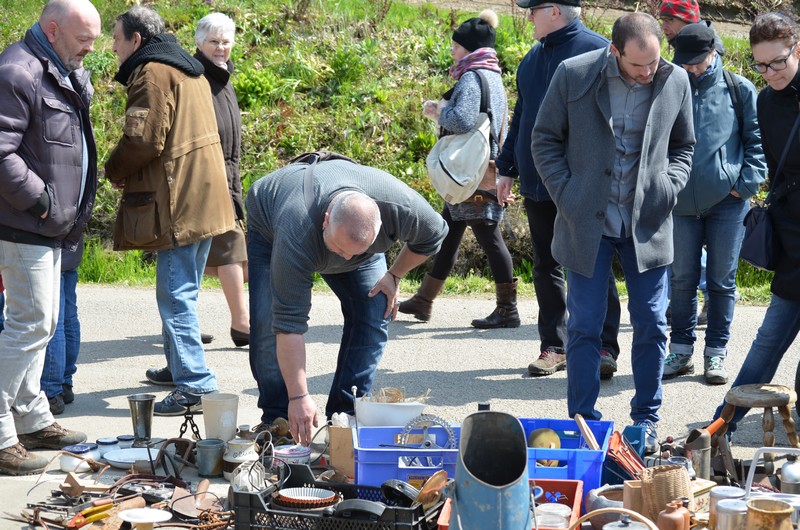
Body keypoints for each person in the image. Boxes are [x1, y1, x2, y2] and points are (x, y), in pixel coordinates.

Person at [532, 12, 695, 453]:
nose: (647, 73)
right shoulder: (574, 74)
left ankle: (646, 419)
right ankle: (583, 422)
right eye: (637, 65)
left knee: (652, 325)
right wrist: (567, 194)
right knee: (584, 327)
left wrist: (668, 186)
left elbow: (684, 146)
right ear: (613, 50)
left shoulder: (676, 80)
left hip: (648, 221)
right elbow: (544, 139)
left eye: (654, 62)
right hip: (587, 222)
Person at [246, 154, 448, 445]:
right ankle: (279, 419)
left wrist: (394, 275)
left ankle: (344, 418)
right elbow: (289, 325)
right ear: (327, 220)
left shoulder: (399, 206)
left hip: (349, 241)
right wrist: (299, 396)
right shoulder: (296, 229)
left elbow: (435, 235)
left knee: (375, 311)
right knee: (269, 324)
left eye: (355, 251)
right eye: (340, 250)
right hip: (272, 228)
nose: (345, 258)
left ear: (379, 226)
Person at [106, 5, 235, 416]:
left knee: (175, 295)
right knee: (185, 291)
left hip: (179, 199)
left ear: (136, 40)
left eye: (117, 39)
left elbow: (142, 139)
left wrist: (114, 169)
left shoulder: (152, 72)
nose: (113, 47)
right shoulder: (186, 66)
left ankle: (194, 384)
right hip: (205, 195)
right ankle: (180, 366)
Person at [495, 0, 622, 378]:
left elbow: (619, 119)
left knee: (593, 262)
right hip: (537, 182)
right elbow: (522, 117)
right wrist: (507, 168)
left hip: (582, 183)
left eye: (532, 9)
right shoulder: (531, 60)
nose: (527, 15)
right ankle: (555, 346)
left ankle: (603, 346)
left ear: (553, 10)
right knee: (546, 265)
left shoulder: (600, 52)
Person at [0, 0, 99, 475]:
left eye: (95, 39)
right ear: (53, 29)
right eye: (84, 39)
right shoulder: (17, 71)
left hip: (50, 224)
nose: (91, 48)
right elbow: (1, 153)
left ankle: (31, 417)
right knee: (31, 325)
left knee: (43, 323)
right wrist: (41, 200)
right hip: (25, 223)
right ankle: (2, 432)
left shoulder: (59, 69)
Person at [398, 10, 516, 329]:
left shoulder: (471, 77)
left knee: (489, 236)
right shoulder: (492, 75)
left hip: (472, 173)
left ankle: (508, 309)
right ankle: (424, 300)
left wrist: (439, 112)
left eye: (456, 45)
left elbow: (463, 120)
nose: (452, 50)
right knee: (449, 232)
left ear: (470, 48)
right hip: (482, 167)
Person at [663, 23, 766, 385]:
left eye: (697, 61)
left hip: (728, 204)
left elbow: (757, 141)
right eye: (685, 62)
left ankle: (716, 352)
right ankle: (680, 351)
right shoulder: (668, 85)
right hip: (679, 204)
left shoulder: (739, 88)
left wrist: (744, 185)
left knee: (721, 282)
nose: (691, 68)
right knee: (681, 281)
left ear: (713, 53)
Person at [713, 12, 800, 432]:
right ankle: (718, 430)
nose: (770, 73)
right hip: (791, 240)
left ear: (797, 50)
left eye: (778, 62)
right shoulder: (765, 101)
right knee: (767, 342)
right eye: (761, 65)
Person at [41, 241, 85, 415]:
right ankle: (65, 382)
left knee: (55, 321)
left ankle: (51, 391)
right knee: (69, 319)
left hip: (51, 247)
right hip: (72, 247)